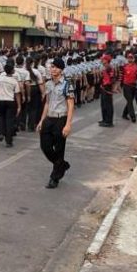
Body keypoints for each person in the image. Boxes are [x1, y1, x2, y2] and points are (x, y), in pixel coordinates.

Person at [36, 57, 75, 189]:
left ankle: (54, 178)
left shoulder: (67, 85)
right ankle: (62, 165)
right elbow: (47, 103)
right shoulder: (48, 84)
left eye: (56, 67)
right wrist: (41, 121)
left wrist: (68, 124)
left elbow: (70, 105)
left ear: (61, 70)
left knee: (59, 150)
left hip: (61, 119)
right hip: (49, 119)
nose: (53, 69)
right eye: (52, 67)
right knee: (45, 147)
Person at [0, 62, 21, 147]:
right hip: (10, 101)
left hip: (1, 100)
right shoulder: (14, 81)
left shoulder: (0, 79)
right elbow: (17, 94)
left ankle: (1, 133)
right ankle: (9, 141)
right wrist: (19, 106)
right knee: (9, 120)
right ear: (12, 71)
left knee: (1, 117)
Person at [120, 53, 137, 123]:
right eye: (129, 58)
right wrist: (119, 86)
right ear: (127, 58)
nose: (130, 59)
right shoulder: (124, 66)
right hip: (126, 86)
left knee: (130, 101)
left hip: (134, 86)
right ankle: (133, 116)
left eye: (131, 58)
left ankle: (124, 114)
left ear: (133, 59)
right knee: (130, 101)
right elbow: (121, 76)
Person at [99, 54, 116, 127]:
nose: (101, 60)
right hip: (103, 88)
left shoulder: (109, 67)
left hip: (107, 89)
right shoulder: (105, 67)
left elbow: (112, 79)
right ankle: (105, 119)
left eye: (103, 59)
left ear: (106, 60)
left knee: (108, 105)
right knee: (103, 105)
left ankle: (109, 121)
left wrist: (109, 85)